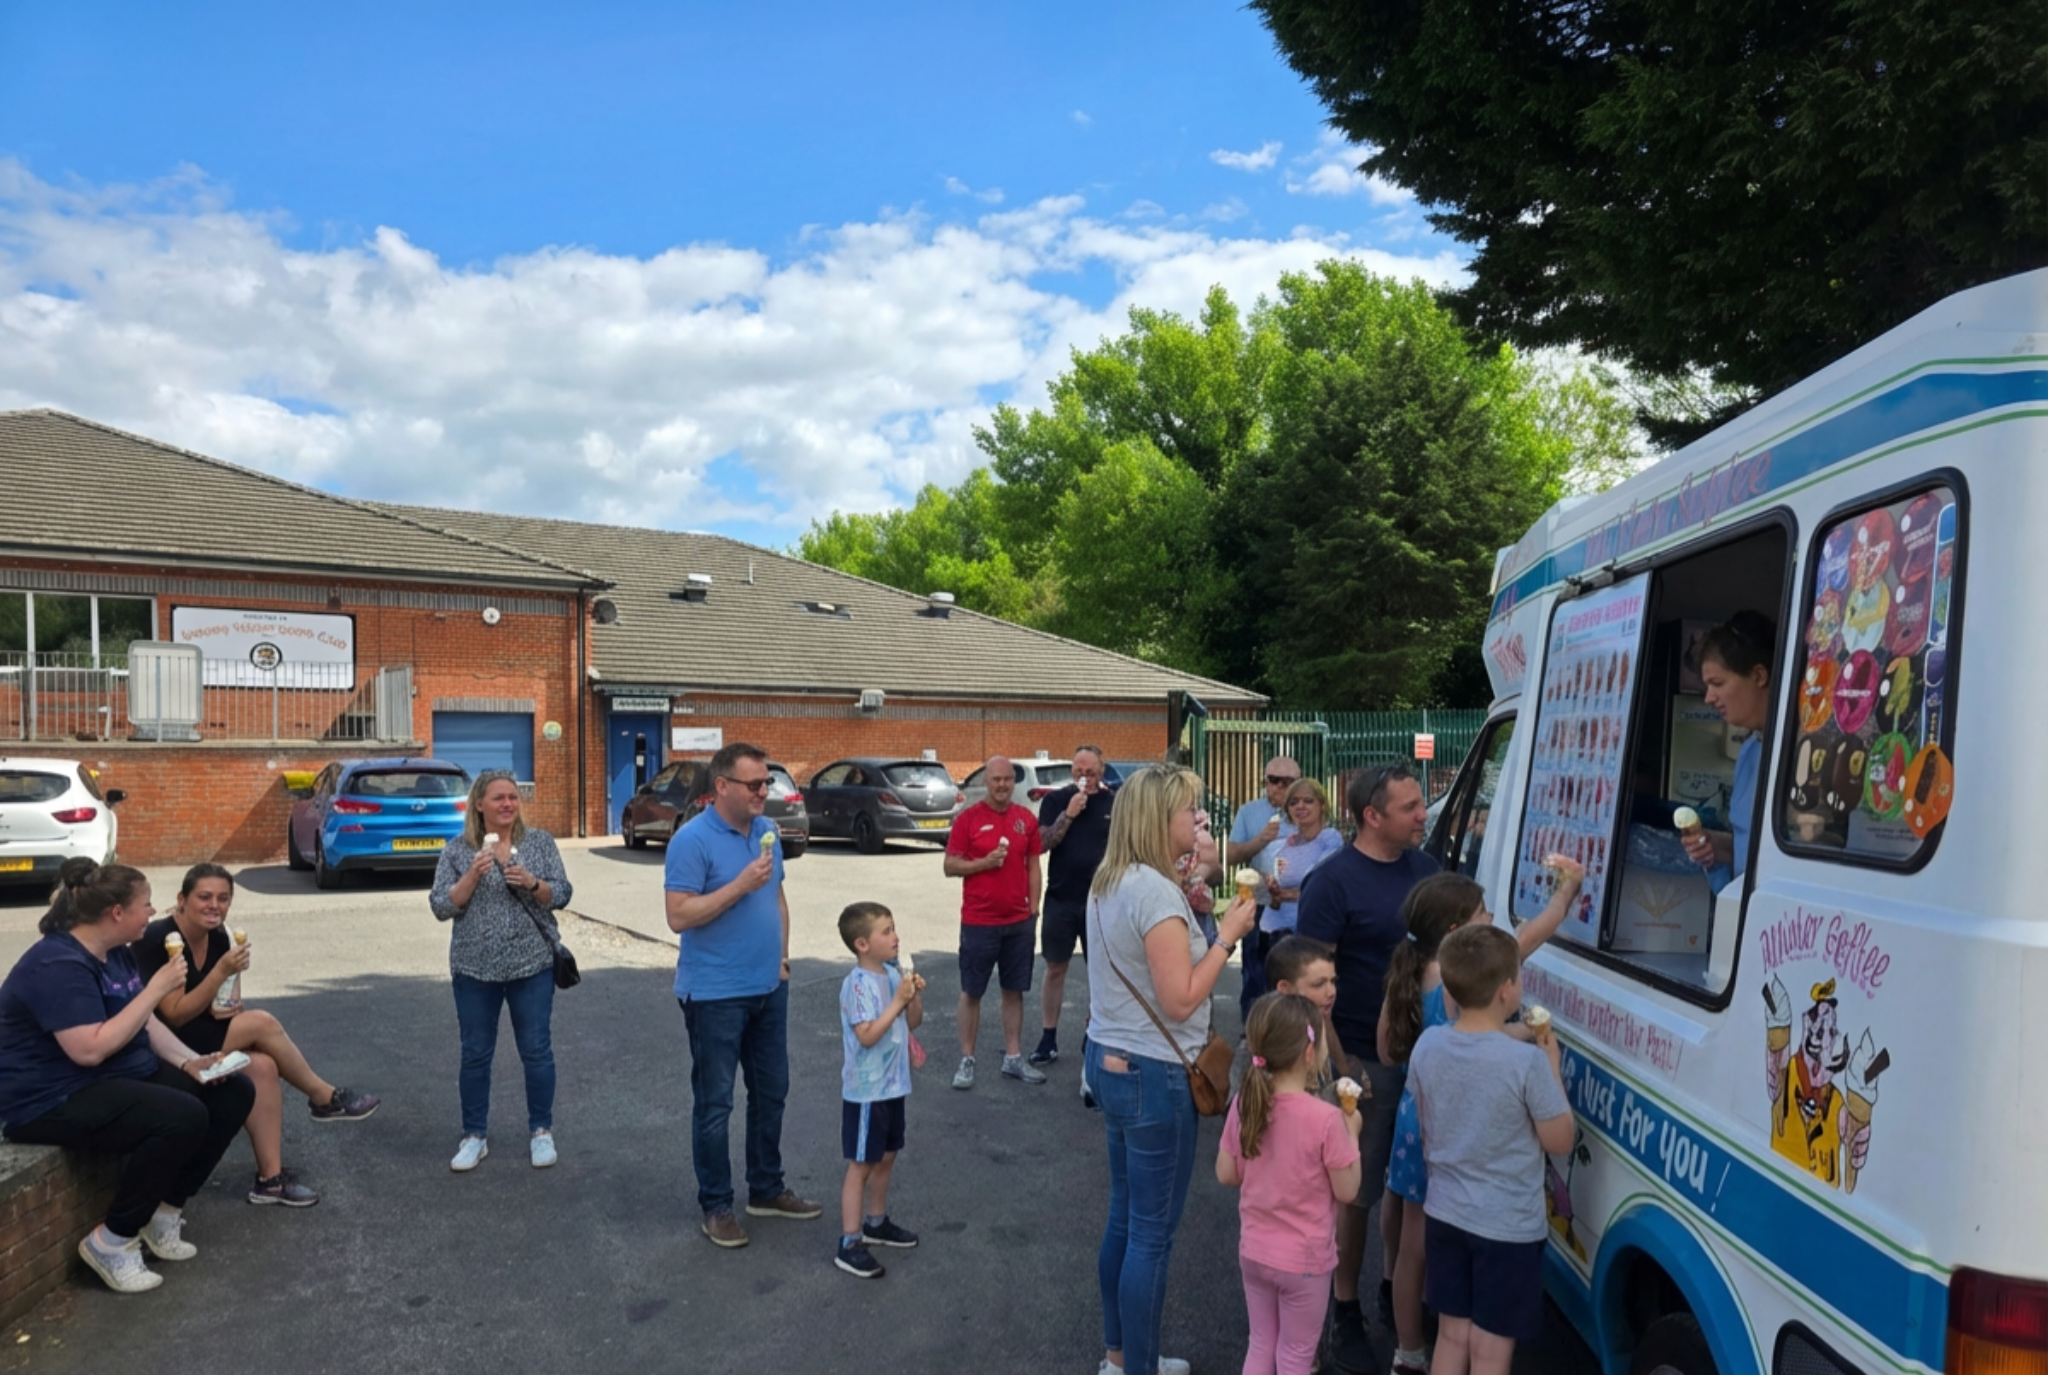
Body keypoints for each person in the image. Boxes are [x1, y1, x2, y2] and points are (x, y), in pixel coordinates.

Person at [0, 863, 254, 1294]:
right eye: (145, 905)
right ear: (116, 912)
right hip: (50, 1098)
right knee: (181, 1115)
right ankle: (112, 1240)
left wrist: (191, 1061)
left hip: (110, 1075)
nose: (152, 912)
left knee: (231, 1091)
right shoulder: (58, 964)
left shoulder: (116, 949)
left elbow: (144, 1024)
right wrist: (157, 990)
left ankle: (164, 1212)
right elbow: (89, 1049)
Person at [1376, 861, 1584, 1375]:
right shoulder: (1483, 992)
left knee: (1413, 1248)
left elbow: (1386, 1051)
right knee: (1489, 1340)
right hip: (1489, 1188)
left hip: (1420, 1120)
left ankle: (1407, 1351)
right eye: (1484, 911)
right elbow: (1533, 934)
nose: (1493, 917)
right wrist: (1566, 892)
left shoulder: (1413, 977)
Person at [1086, 764, 1260, 1375]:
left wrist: (1197, 909)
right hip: (1155, 1074)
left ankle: (1119, 1355)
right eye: (1191, 810)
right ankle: (1138, 1366)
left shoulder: (1112, 880)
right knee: (1150, 1236)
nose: (1201, 820)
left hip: (1110, 1058)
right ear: (1161, 820)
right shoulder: (1154, 893)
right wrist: (1228, 935)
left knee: (1125, 1216)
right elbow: (1182, 999)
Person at [1292, 763, 1439, 1369]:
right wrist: (1337, 1062)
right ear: (1371, 815)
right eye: (1409, 807)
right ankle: (1344, 1306)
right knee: (1356, 1193)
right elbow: (1308, 983)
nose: (1422, 814)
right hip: (1360, 1059)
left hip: (1424, 1059)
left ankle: (1392, 1290)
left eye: (1420, 803)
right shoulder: (1333, 883)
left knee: (1408, 1188)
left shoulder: (1427, 872)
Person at [134, 864, 380, 1209]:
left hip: (201, 1031)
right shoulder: (159, 939)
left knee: (262, 1066)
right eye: (204, 897)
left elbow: (222, 1003)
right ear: (182, 900)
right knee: (261, 1023)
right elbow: (172, 1014)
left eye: (223, 899)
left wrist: (229, 1002)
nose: (214, 906)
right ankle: (322, 1097)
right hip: (166, 1046)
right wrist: (223, 972)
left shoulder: (219, 936)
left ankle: (270, 1181)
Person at [665, 741, 822, 1248]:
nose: (764, 792)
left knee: (772, 1092)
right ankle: (716, 1205)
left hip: (767, 987)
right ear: (722, 787)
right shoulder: (692, 840)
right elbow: (679, 916)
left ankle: (766, 1188)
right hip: (714, 995)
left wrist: (782, 955)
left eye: (766, 783)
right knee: (715, 1104)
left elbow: (776, 897)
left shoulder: (768, 832)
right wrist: (737, 885)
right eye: (754, 784)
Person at [431, 770, 574, 1173]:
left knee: (536, 1050)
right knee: (475, 1054)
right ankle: (474, 1136)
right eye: (498, 798)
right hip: (475, 969)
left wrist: (532, 882)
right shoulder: (459, 851)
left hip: (532, 965)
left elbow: (561, 893)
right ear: (479, 804)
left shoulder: (539, 843)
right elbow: (442, 906)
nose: (508, 804)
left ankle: (541, 1131)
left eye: (513, 797)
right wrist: (473, 875)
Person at [1217, 993, 1364, 1375]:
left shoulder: (1244, 1103)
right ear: (1309, 1052)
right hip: (1305, 1261)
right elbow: (1348, 1190)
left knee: (1261, 1343)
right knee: (1297, 1354)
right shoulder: (1326, 1119)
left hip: (1255, 1251)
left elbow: (1227, 1173)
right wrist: (1353, 1134)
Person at [833, 901, 924, 1279]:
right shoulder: (856, 985)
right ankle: (850, 1241)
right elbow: (867, 1035)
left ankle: (877, 1221)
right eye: (885, 931)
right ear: (861, 944)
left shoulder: (890, 974)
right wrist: (898, 1001)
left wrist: (912, 995)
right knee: (862, 1163)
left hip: (894, 1085)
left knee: (887, 1156)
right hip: (867, 1090)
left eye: (894, 928)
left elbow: (913, 1021)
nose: (895, 936)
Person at [943, 755, 1045, 1089]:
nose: (1001, 785)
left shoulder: (1025, 820)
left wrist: (1034, 910)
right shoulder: (968, 820)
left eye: (1006, 779)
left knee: (1014, 991)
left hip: (1018, 922)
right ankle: (967, 1060)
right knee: (972, 991)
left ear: (1013, 782)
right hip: (979, 921)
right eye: (995, 779)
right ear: (986, 782)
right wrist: (984, 863)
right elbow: (950, 865)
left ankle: (1013, 1059)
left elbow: (1033, 865)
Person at [1680, 611, 1777, 890]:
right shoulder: (1748, 753)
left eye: (1717, 684)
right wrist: (1714, 846)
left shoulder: (1806, 753)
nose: (1709, 698)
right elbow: (1750, 847)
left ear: (1759, 675)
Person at [1032, 745, 1115, 1067]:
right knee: (1055, 967)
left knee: (1100, 971)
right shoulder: (1055, 801)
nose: (1085, 778)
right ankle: (1048, 1037)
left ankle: (1094, 1032)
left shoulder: (1113, 802)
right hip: (1061, 898)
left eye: (1091, 773)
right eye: (1079, 772)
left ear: (1102, 772)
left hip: (1101, 901)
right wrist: (1069, 814)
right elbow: (1042, 843)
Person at [1226, 756, 1303, 1019]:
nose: (1280, 787)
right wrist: (1260, 839)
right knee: (1255, 973)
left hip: (1296, 907)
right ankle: (1252, 1030)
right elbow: (1232, 856)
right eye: (1274, 780)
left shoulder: (1306, 811)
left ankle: (1292, 1028)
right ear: (1264, 781)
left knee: (1294, 972)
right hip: (1259, 903)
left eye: (1288, 782)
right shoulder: (1250, 812)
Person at [1264, 780, 1344, 939]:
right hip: (1274, 933)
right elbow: (1272, 899)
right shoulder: (1282, 846)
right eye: (1294, 802)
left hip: (1313, 934)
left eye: (1308, 801)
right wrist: (1274, 893)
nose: (1300, 806)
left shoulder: (1331, 839)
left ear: (1322, 805)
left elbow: (1320, 887)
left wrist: (1284, 894)